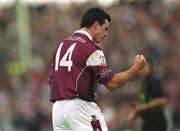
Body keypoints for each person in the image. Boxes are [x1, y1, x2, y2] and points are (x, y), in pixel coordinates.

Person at [49, 7, 146, 131]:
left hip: (57, 111)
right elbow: (112, 83)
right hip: (80, 107)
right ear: (95, 25)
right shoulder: (90, 48)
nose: (106, 34)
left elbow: (52, 81)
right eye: (105, 28)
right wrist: (136, 68)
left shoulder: (61, 46)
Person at [127, 60, 167, 131]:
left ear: (150, 69)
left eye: (143, 66)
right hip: (148, 122)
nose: (141, 68)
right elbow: (143, 103)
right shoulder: (143, 83)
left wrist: (143, 107)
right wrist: (136, 111)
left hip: (156, 121)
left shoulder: (152, 81)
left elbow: (162, 100)